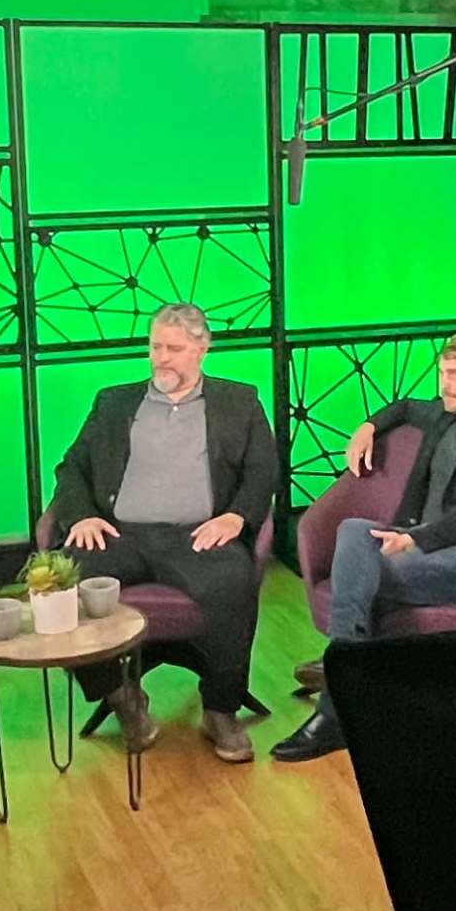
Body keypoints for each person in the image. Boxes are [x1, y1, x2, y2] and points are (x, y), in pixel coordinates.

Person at [273, 328, 456, 765]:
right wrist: (368, 426)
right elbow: (403, 407)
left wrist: (413, 539)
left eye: (454, 374)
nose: (443, 384)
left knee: (357, 568)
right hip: (419, 548)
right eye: (441, 373)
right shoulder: (443, 415)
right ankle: (355, 668)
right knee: (354, 532)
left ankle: (335, 706)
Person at [47, 303, 277, 765]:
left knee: (233, 582)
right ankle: (121, 696)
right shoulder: (113, 402)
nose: (161, 358)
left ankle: (220, 710)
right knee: (60, 584)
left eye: (173, 348)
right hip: (119, 532)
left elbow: (263, 471)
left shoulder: (240, 401)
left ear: (202, 348)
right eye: (155, 347)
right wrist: (81, 517)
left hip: (198, 535)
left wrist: (235, 518)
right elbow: (71, 468)